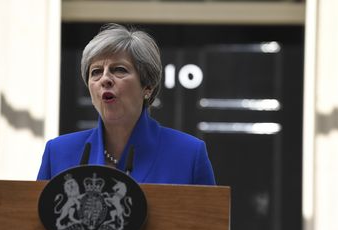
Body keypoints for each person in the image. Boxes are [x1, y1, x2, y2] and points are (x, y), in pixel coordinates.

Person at [37, 23, 215, 185]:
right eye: (96, 72)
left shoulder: (189, 154)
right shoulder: (58, 152)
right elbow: (36, 220)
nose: (105, 79)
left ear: (147, 87)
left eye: (119, 70)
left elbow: (209, 220)